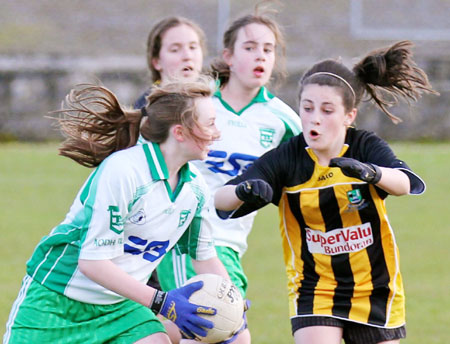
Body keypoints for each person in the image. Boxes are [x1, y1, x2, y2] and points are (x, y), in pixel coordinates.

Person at [214, 40, 438, 344]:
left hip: (374, 286)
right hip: (314, 288)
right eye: (307, 108)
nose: (314, 118)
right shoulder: (287, 157)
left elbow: (404, 183)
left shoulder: (364, 146)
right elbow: (220, 200)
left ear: (349, 115)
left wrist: (372, 174)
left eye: (327, 110)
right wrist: (245, 190)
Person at [3, 77, 233, 344]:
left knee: (157, 340)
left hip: (119, 307)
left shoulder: (196, 189)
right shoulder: (124, 171)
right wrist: (163, 302)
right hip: (56, 300)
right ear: (180, 133)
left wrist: (232, 301)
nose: (217, 133)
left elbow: (204, 256)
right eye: (210, 123)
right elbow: (92, 263)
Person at [156, 6, 302, 344]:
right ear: (228, 56)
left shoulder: (282, 120)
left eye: (268, 49)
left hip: (230, 247)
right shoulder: (199, 102)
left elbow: (312, 168)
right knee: (226, 335)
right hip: (182, 239)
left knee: (204, 335)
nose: (260, 55)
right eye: (249, 47)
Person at [134, 16, 206, 109]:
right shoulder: (144, 111)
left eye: (192, 47)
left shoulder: (217, 106)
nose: (188, 56)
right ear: (156, 62)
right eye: (175, 50)